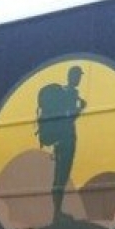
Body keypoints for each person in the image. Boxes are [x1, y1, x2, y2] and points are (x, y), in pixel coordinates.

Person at [35, 65, 87, 220]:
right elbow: (69, 118)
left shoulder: (64, 92)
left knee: (60, 175)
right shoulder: (71, 94)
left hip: (60, 139)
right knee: (61, 176)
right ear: (72, 76)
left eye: (79, 76)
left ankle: (57, 212)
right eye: (77, 76)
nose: (78, 79)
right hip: (66, 139)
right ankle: (57, 213)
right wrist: (81, 108)